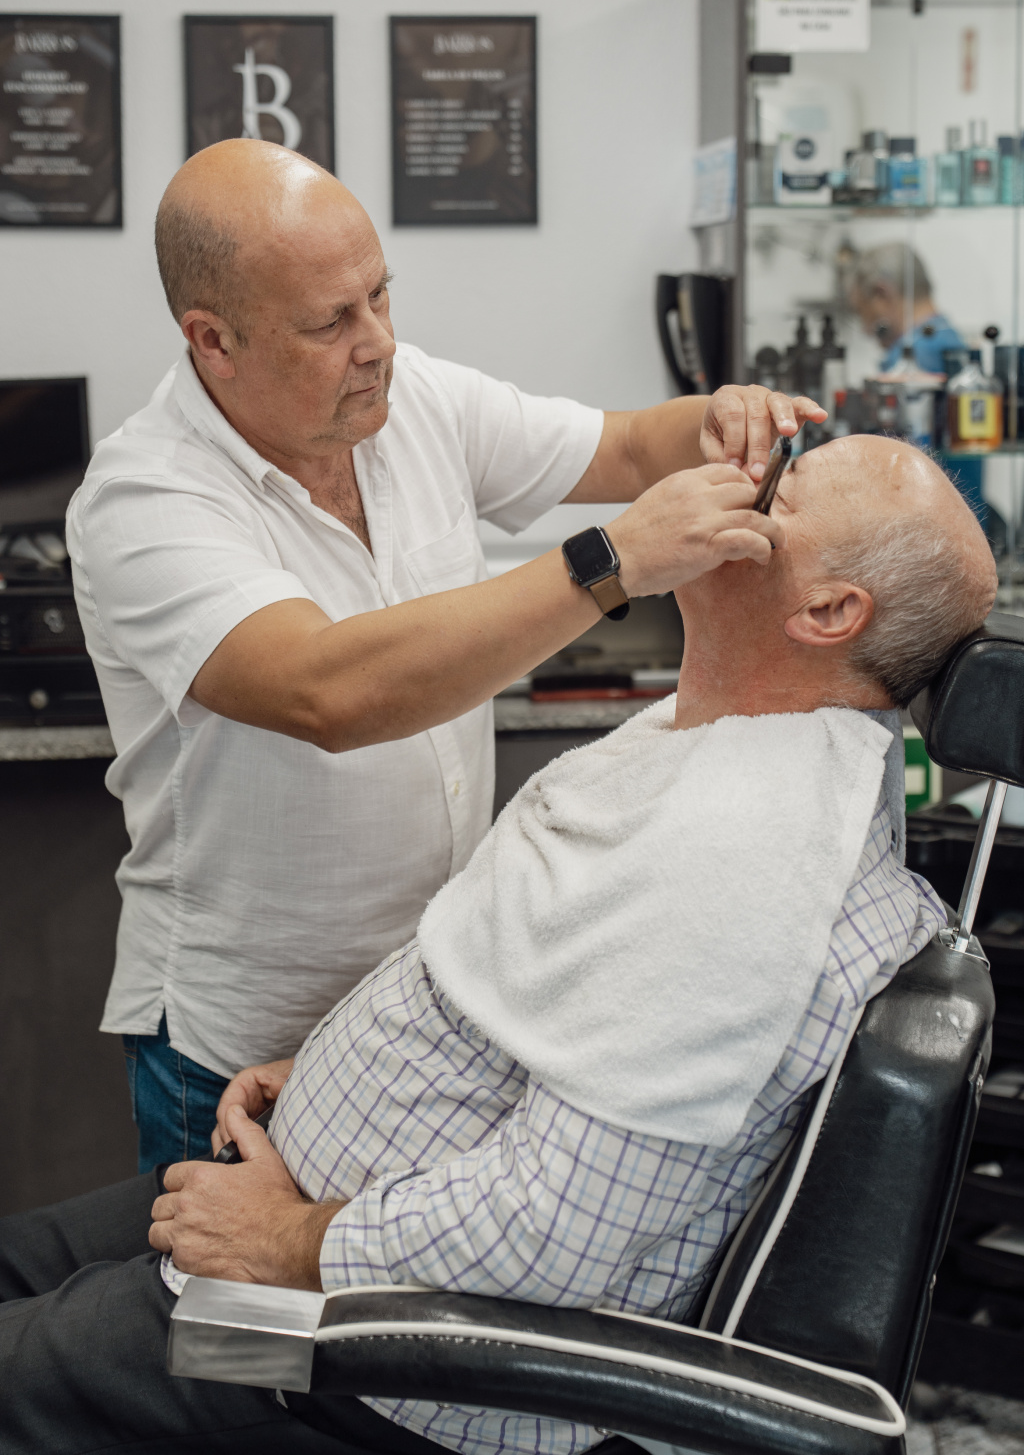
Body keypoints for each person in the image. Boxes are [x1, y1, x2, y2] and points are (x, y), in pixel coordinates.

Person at [0, 434, 997, 1455]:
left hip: (345, 1357)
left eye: (774, 491)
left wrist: (283, 1240)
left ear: (827, 614)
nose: (725, 490)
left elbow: (554, 1233)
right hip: (306, 1198)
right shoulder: (716, 749)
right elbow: (548, 983)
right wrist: (344, 1066)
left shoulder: (745, 866)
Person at [67, 139, 826, 1169]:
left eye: (380, 295)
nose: (377, 341)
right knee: (245, 1278)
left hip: (429, 1015)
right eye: (330, 322)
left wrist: (723, 418)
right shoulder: (145, 496)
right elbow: (327, 690)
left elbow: (629, 447)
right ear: (213, 340)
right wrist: (612, 562)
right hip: (242, 1039)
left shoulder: (410, 399)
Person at [848, 241, 964, 374]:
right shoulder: (949, 337)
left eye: (862, 311)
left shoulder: (908, 359)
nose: (865, 330)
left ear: (881, 294)